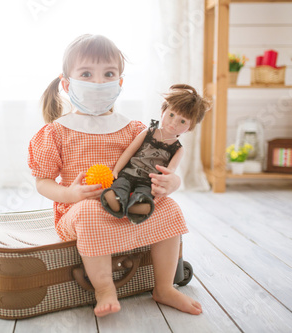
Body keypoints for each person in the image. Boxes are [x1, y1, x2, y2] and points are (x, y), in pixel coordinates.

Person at [28, 34, 202, 317]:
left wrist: (172, 183)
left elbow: (166, 167)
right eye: (86, 73)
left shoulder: (132, 129)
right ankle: (105, 288)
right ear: (67, 84)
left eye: (108, 74)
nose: (98, 82)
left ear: (120, 82)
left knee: (169, 208)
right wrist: (68, 194)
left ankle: (165, 287)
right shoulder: (57, 131)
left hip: (129, 202)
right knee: (89, 212)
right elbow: (43, 181)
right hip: (78, 210)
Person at [102, 84, 210, 224]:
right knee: (121, 184)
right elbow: (129, 151)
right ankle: (116, 199)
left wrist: (162, 185)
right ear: (162, 111)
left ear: (190, 128)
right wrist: (116, 170)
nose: (174, 122)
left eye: (182, 121)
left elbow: (169, 172)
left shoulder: (178, 149)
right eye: (171, 115)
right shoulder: (148, 132)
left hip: (149, 181)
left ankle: (138, 205)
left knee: (144, 193)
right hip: (129, 171)